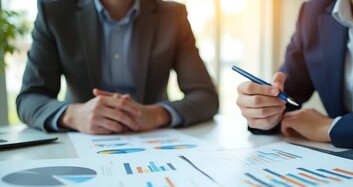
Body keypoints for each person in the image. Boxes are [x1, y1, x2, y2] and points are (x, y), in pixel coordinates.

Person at [236, 0, 353, 157]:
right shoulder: (312, 12)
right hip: (343, 166)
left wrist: (333, 127)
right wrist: (264, 110)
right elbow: (287, 94)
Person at [16, 0, 218, 135]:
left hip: (153, 140)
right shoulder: (55, 11)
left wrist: (157, 114)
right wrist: (73, 115)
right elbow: (29, 98)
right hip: (80, 143)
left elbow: (206, 96)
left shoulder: (173, 15)